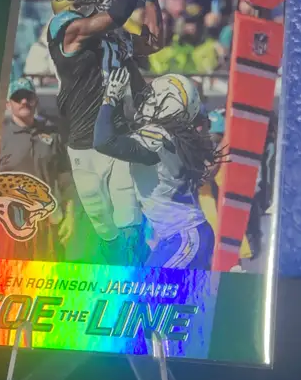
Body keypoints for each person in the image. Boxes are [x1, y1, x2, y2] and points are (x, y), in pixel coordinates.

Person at [46, 0, 165, 265]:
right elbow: (114, 16)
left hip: (116, 136)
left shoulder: (111, 37)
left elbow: (154, 42)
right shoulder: (65, 28)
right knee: (103, 226)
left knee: (129, 221)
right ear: (74, 0)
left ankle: (136, 274)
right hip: (82, 142)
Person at [93, 67, 223, 270]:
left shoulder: (157, 137)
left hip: (184, 236)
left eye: (152, 96)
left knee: (148, 289)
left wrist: (109, 100)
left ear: (166, 101)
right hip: (179, 236)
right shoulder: (169, 135)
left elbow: (103, 141)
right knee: (145, 287)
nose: (145, 100)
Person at [0, 77, 75, 261]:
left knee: (48, 274)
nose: (24, 101)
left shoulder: (52, 134)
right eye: (18, 97)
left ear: (35, 101)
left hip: (47, 225)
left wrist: (70, 216)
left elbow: (65, 178)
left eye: (28, 97)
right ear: (8, 104)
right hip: (10, 227)